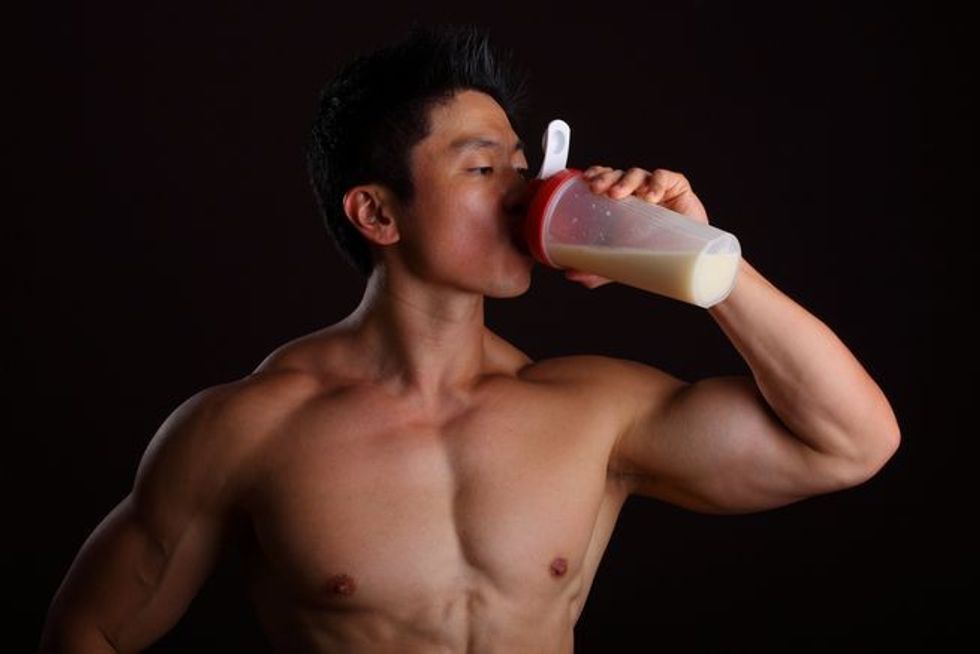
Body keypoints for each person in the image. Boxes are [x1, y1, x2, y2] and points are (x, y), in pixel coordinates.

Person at [39, 23, 900, 654]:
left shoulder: (589, 411)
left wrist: (702, 258)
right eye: (484, 168)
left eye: (524, 166)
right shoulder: (249, 429)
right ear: (378, 213)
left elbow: (851, 442)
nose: (525, 193)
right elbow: (88, 630)